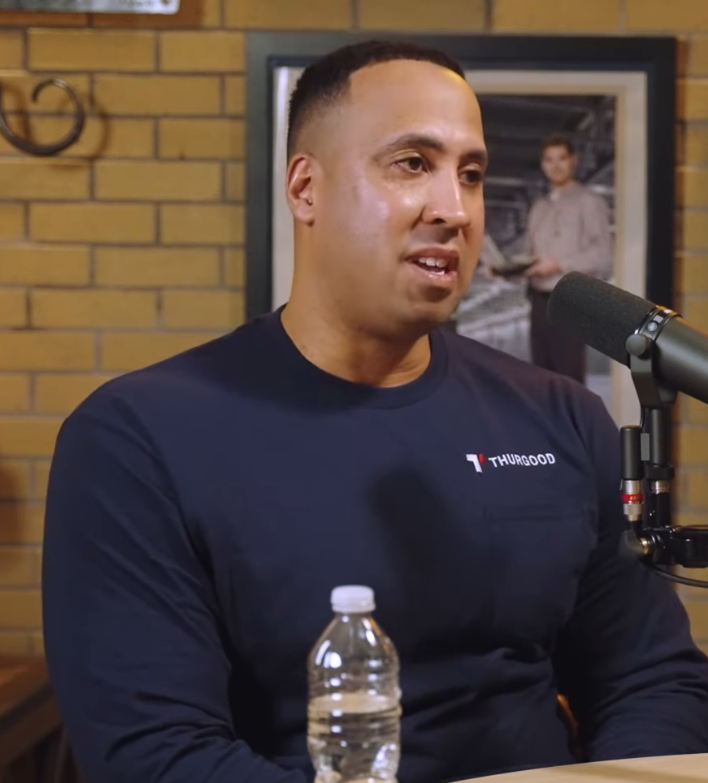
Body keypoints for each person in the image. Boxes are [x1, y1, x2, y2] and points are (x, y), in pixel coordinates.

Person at [41, 40, 708, 783]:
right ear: (305, 189)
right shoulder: (138, 438)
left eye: (472, 174)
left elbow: (650, 679)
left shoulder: (563, 418)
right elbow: (156, 753)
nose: (455, 209)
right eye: (412, 164)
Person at [523, 134, 613, 383]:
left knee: (568, 381)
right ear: (543, 164)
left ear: (573, 160)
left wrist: (559, 265)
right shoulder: (538, 209)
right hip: (539, 302)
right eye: (549, 160)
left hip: (570, 301)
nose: (556, 165)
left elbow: (603, 254)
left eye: (561, 158)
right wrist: (506, 271)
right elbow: (530, 258)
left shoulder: (589, 202)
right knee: (541, 379)